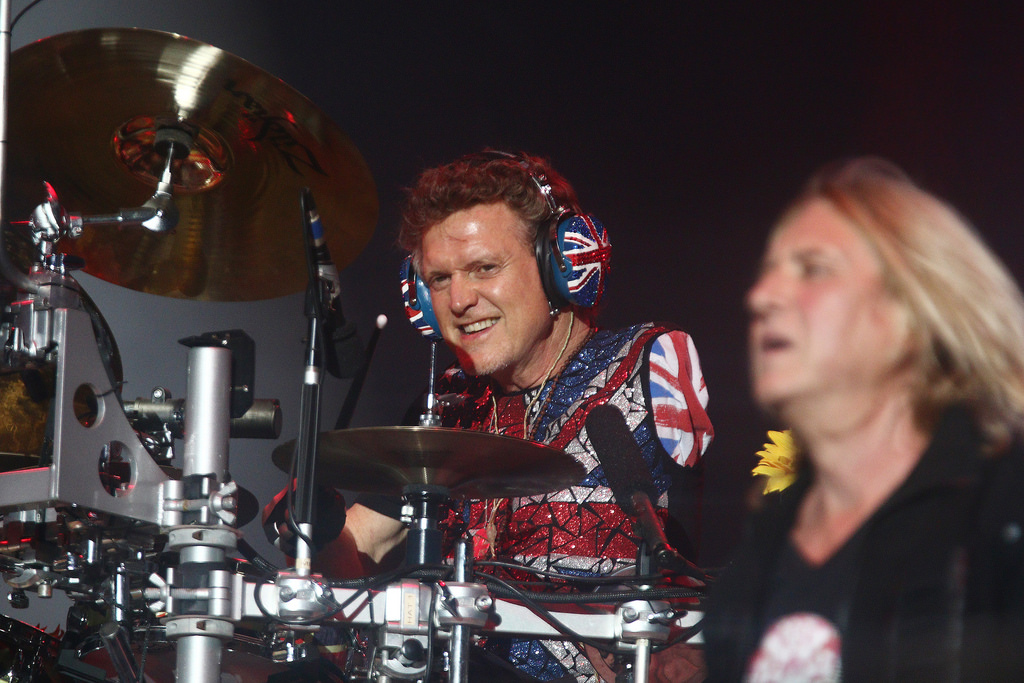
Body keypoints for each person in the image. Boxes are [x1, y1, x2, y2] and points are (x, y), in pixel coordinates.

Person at [269, 150, 714, 682]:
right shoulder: (447, 404)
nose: (459, 300)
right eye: (439, 279)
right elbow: (358, 548)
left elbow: (700, 557)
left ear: (561, 265)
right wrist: (316, 526)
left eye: (485, 268)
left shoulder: (649, 362)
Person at [702, 157, 1024, 682]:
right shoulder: (759, 558)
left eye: (813, 269)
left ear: (910, 314)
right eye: (767, 272)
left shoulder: (1001, 517)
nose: (760, 296)